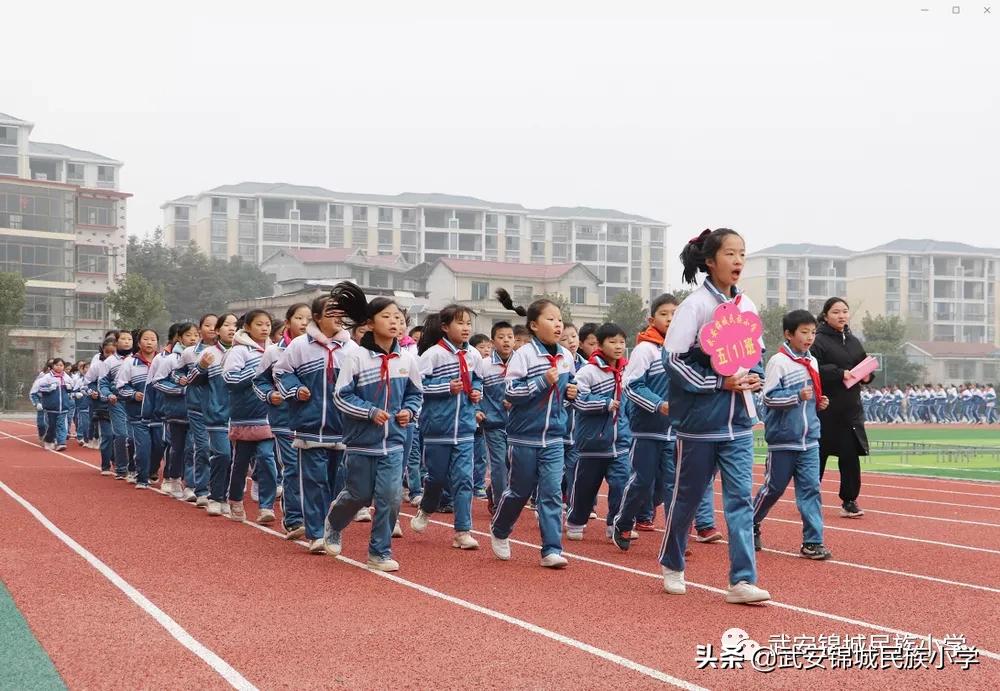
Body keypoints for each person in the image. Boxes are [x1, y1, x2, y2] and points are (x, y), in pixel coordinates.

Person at [660, 228, 770, 604]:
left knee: (740, 500)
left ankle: (742, 580)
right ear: (710, 261)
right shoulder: (694, 306)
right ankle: (672, 562)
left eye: (742, 253)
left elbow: (756, 354)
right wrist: (718, 383)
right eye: (730, 253)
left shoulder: (747, 305)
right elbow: (673, 361)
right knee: (687, 499)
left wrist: (755, 377)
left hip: (739, 423)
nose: (738, 261)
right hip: (699, 425)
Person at [325, 282, 423, 571]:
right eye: (387, 316)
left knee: (390, 497)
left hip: (394, 441)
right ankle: (334, 523)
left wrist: (408, 411)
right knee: (359, 495)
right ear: (369, 323)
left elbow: (416, 394)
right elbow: (341, 397)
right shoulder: (355, 357)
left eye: (399, 318)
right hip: (361, 441)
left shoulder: (407, 359)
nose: (395, 322)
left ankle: (379, 552)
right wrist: (370, 412)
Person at [490, 288, 578, 568]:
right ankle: (500, 529)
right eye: (551, 319)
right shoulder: (525, 355)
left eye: (559, 319)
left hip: (554, 437)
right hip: (524, 438)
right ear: (534, 325)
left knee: (551, 493)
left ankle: (551, 549)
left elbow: (570, 387)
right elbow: (510, 392)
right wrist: (542, 381)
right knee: (519, 492)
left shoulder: (566, 357)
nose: (558, 324)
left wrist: (572, 392)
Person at [274, 296, 358, 553]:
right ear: (318, 318)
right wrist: (295, 389)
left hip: (342, 428)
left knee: (337, 483)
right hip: (309, 426)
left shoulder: (352, 348)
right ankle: (316, 534)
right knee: (314, 482)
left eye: (341, 313)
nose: (338, 317)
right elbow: (281, 372)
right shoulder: (300, 346)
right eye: (331, 312)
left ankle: (331, 526)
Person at [752, 309, 833, 560]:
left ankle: (813, 541)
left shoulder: (812, 361)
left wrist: (818, 403)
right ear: (788, 334)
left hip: (810, 439)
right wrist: (796, 396)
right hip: (784, 439)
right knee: (773, 488)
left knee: (811, 490)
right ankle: (750, 522)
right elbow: (768, 399)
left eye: (813, 333)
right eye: (804, 332)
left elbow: (810, 398)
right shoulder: (779, 362)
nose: (809, 337)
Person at [409, 304, 483, 550]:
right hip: (438, 428)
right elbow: (417, 387)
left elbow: (478, 379)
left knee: (464, 480)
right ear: (445, 327)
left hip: (465, 428)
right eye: (460, 323)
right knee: (437, 478)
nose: (466, 328)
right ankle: (426, 507)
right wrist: (445, 387)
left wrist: (477, 392)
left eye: (468, 323)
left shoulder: (473, 355)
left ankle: (462, 531)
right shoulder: (433, 355)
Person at [613, 294, 677, 550]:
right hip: (647, 431)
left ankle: (676, 535)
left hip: (676, 431)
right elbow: (630, 385)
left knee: (673, 485)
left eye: (675, 314)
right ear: (652, 320)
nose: (670, 319)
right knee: (642, 481)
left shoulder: (684, 351)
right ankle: (623, 521)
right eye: (664, 314)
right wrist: (659, 404)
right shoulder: (645, 349)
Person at [566, 322, 631, 542]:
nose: (618, 346)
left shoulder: (627, 371)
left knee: (621, 485)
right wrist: (605, 403)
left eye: (621, 342)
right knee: (585, 488)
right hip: (592, 443)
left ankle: (615, 524)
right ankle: (576, 520)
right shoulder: (588, 371)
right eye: (612, 342)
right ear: (600, 345)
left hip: (620, 443)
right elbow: (578, 401)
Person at [254, 302, 311, 538]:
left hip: (313, 421)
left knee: (315, 471)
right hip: (284, 420)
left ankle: (315, 517)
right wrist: (271, 395)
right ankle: (294, 519)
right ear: (287, 322)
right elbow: (259, 381)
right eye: (299, 318)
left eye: (309, 319)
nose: (305, 323)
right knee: (293, 467)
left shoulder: (317, 350)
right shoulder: (274, 352)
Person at [812, 297, 871, 519]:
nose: (842, 315)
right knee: (817, 456)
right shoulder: (818, 340)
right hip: (825, 410)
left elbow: (864, 364)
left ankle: (849, 500)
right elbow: (813, 367)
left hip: (850, 410)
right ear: (825, 315)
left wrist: (867, 376)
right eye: (836, 312)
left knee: (850, 457)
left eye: (845, 311)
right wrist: (839, 373)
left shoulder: (854, 341)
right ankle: (809, 497)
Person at [224, 310, 279, 524]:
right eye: (259, 324)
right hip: (244, 415)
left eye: (267, 324)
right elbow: (230, 379)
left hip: (268, 414)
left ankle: (266, 506)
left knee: (267, 458)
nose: (264, 328)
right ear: (247, 327)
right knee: (241, 462)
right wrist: (259, 370)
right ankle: (235, 499)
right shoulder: (239, 351)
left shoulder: (274, 350)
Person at [200, 313, 238, 517]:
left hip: (241, 416)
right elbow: (193, 380)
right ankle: (215, 497)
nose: (232, 329)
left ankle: (225, 496)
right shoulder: (209, 353)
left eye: (235, 325)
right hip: (218, 415)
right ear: (218, 330)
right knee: (223, 455)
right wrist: (201, 367)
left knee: (235, 460)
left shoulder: (244, 352)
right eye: (227, 325)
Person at [116, 329, 160, 489]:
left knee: (159, 446)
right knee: (143, 447)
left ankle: (152, 470)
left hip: (159, 415)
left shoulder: (162, 360)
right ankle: (142, 477)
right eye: (146, 339)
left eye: (153, 339)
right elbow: (121, 387)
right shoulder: (130, 362)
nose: (149, 342)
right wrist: (134, 394)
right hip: (138, 414)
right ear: (139, 343)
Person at [478, 321, 514, 515]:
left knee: (514, 466)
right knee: (499, 465)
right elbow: (475, 390)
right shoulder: (484, 365)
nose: (506, 341)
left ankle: (492, 490)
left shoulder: (521, 362)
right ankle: (502, 506)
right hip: (494, 424)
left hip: (518, 425)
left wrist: (517, 401)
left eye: (509, 337)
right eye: (501, 337)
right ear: (493, 342)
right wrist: (478, 410)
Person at [100, 331, 135, 480]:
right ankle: (121, 468)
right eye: (123, 339)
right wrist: (108, 395)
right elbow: (102, 383)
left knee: (134, 437)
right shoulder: (109, 362)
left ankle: (134, 467)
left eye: (129, 339)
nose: (126, 341)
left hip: (134, 401)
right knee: (121, 434)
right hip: (117, 401)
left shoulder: (136, 359)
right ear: (116, 342)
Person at [38, 358, 72, 451]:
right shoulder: (48, 377)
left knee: (61, 425)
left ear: (63, 367)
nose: (59, 367)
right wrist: (49, 388)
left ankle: (61, 443)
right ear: (53, 366)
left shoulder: (66, 377)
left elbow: (72, 388)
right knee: (51, 425)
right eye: (57, 365)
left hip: (63, 406)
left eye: (61, 365)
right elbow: (40, 388)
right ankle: (49, 441)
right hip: (51, 407)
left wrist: (70, 388)